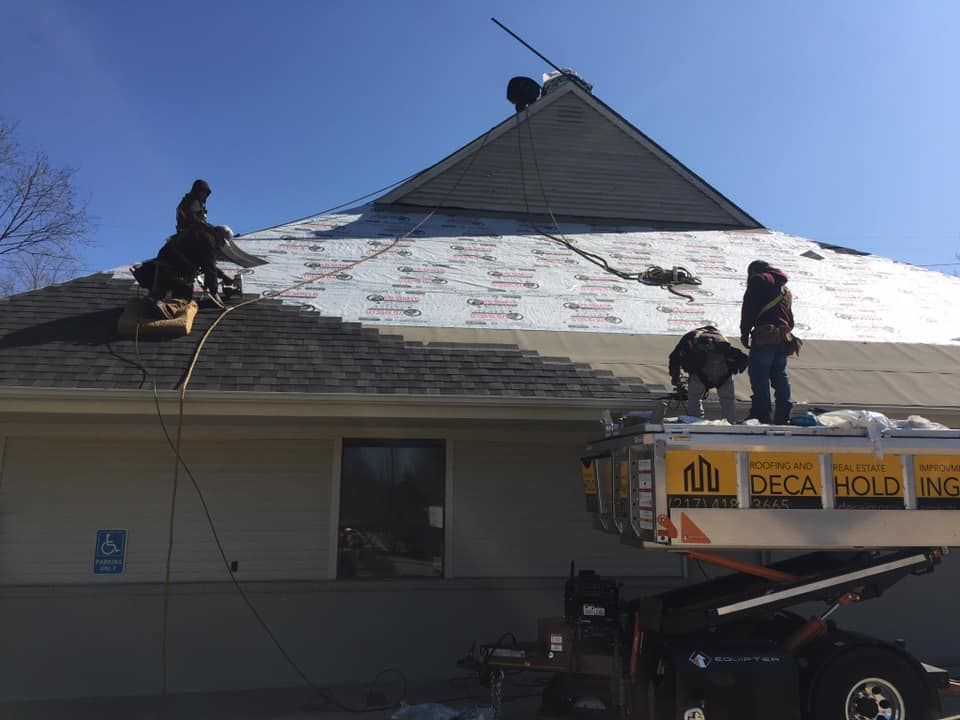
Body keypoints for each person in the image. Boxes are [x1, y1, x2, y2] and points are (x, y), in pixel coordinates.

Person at [131, 180, 234, 319]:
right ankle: (167, 306)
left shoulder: (191, 235)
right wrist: (215, 293)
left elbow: (207, 264)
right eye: (222, 242)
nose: (221, 246)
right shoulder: (207, 239)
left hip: (162, 265)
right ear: (219, 236)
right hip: (177, 272)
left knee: (158, 294)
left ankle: (152, 302)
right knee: (184, 298)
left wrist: (223, 277)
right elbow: (209, 267)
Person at [739, 260, 796, 424]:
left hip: (765, 335)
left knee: (759, 375)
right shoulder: (786, 290)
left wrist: (744, 332)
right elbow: (791, 320)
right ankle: (783, 416)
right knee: (780, 376)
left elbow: (749, 307)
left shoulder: (759, 279)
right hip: (783, 337)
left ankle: (761, 414)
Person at [668, 325, 748, 423]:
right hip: (724, 373)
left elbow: (674, 357)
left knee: (694, 397)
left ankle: (695, 423)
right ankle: (730, 424)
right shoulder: (722, 337)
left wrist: (675, 377)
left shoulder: (691, 336)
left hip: (700, 373)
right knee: (727, 400)